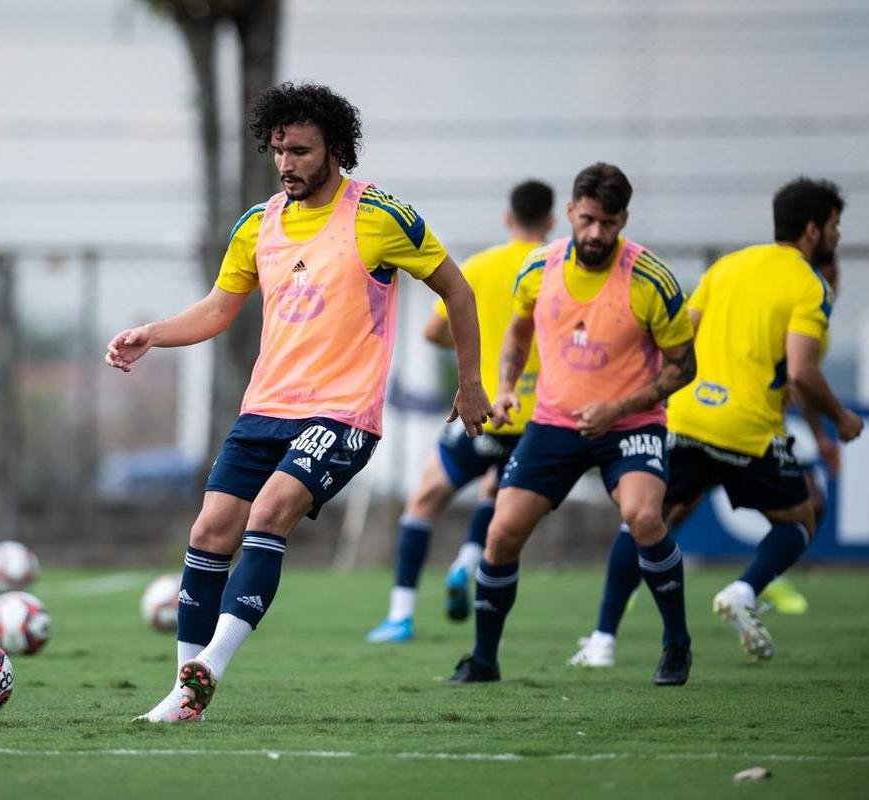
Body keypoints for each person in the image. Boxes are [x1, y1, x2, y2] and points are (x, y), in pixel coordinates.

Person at [105, 83, 492, 723]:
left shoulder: (379, 218)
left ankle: (209, 669)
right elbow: (217, 309)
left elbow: (459, 290)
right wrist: (154, 334)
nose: (286, 163)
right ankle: (184, 692)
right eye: (278, 150)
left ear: (335, 149)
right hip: (265, 409)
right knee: (209, 531)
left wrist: (471, 381)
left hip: (341, 413)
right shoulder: (257, 225)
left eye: (301, 151)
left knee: (272, 509)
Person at [570, 180, 861, 666]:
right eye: (833, 225)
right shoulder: (811, 285)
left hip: (686, 415)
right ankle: (745, 592)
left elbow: (682, 333)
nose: (835, 234)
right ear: (813, 231)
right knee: (802, 518)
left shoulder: (728, 265)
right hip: (747, 428)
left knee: (647, 521)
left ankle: (602, 640)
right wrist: (840, 418)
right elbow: (805, 371)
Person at [446, 162, 698, 687]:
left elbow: (684, 366)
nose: (596, 233)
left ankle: (676, 643)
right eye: (587, 220)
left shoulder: (651, 279)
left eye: (608, 223)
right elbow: (517, 335)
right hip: (554, 423)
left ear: (623, 218)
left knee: (644, 517)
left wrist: (619, 408)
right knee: (501, 533)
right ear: (569, 213)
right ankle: (484, 660)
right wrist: (509, 386)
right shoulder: (538, 269)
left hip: (630, 425)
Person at [366, 180, 553, 643]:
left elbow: (433, 331)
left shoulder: (480, 266)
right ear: (552, 221)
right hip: (538, 420)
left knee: (425, 500)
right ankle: (464, 565)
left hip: (483, 408)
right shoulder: (557, 268)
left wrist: (476, 343)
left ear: (509, 219)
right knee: (498, 499)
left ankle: (400, 616)